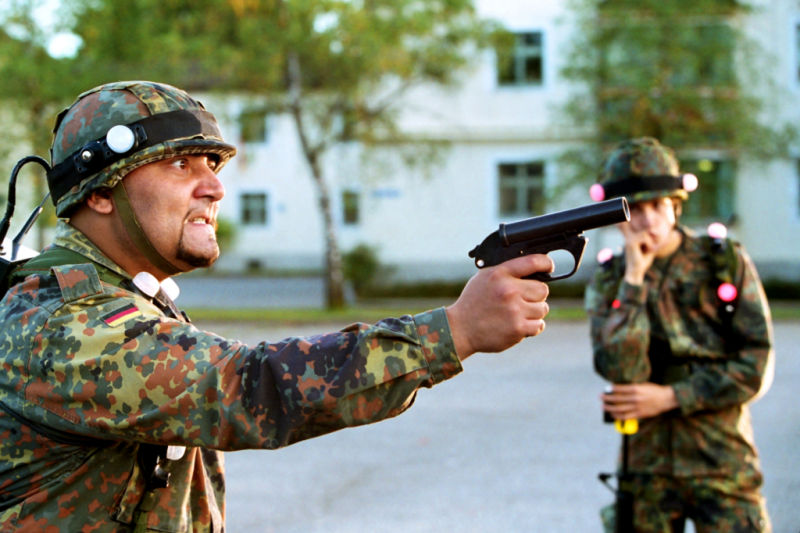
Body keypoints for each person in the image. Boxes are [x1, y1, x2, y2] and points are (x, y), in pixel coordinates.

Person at [0, 81, 553, 531]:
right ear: (99, 192)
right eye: (180, 165)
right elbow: (247, 386)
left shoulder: (122, 296)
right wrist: (454, 330)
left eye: (212, 165)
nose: (214, 188)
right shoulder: (60, 320)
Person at [585, 137, 774, 532]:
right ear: (616, 216)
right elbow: (619, 368)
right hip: (646, 470)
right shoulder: (611, 280)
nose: (647, 220)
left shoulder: (722, 262)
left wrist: (671, 397)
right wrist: (634, 280)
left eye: (657, 205)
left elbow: (756, 364)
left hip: (721, 464)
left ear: (675, 205)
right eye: (634, 209)